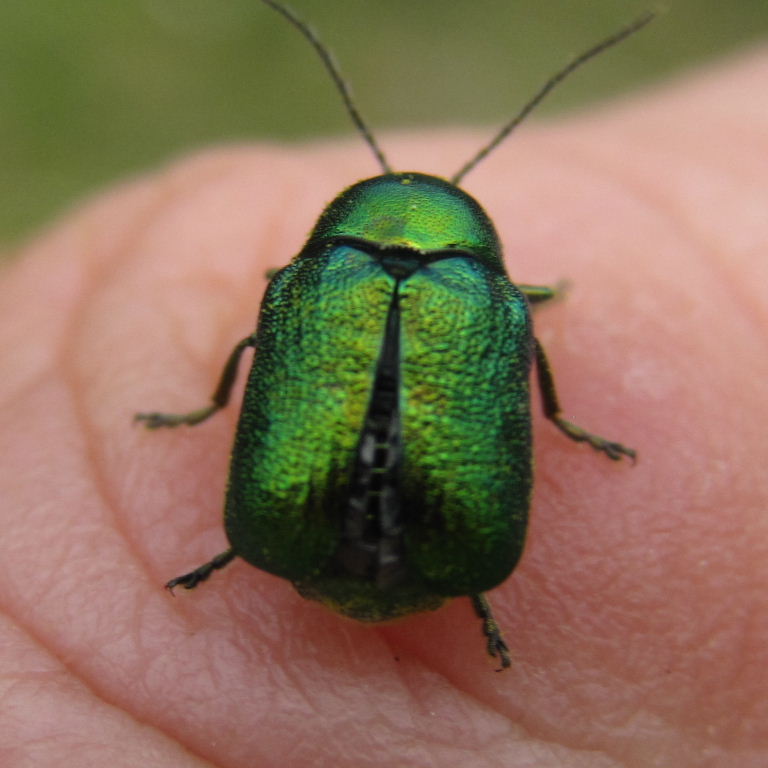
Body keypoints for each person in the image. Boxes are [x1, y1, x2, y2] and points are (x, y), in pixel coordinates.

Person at [1, 51, 765, 767]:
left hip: (304, 528)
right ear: (476, 246)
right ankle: (467, 589)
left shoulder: (307, 282)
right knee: (517, 345)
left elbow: (254, 353)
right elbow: (529, 362)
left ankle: (245, 522)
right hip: (436, 553)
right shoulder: (496, 302)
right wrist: (557, 419)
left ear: (338, 228)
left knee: (251, 344)